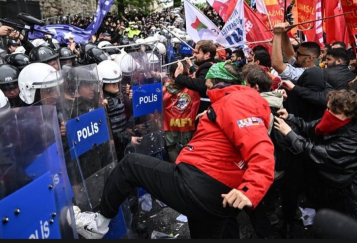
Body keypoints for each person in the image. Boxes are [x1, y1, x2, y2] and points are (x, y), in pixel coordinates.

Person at [68, 62, 275, 239]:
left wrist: (251, 188)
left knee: (131, 165)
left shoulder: (236, 101)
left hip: (199, 183)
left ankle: (99, 224)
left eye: (207, 83)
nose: (204, 86)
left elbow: (260, 145)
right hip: (217, 194)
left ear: (215, 82)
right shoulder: (235, 101)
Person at [274, 89, 357, 221]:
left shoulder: (351, 139)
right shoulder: (333, 120)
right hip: (322, 182)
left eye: (334, 111)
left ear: (349, 115)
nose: (328, 113)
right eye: (328, 108)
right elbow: (311, 127)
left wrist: (290, 133)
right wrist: (290, 118)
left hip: (340, 190)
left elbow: (316, 152)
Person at [163, 62, 200, 163]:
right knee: (187, 148)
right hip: (187, 126)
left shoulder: (164, 89)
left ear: (171, 74)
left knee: (171, 148)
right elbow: (198, 75)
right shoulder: (193, 87)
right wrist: (191, 65)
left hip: (170, 126)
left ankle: (176, 169)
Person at [174, 40, 216, 117]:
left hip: (205, 107)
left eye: (197, 53)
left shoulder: (207, 67)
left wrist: (179, 77)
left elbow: (201, 84)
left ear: (207, 54)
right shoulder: (213, 65)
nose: (194, 55)